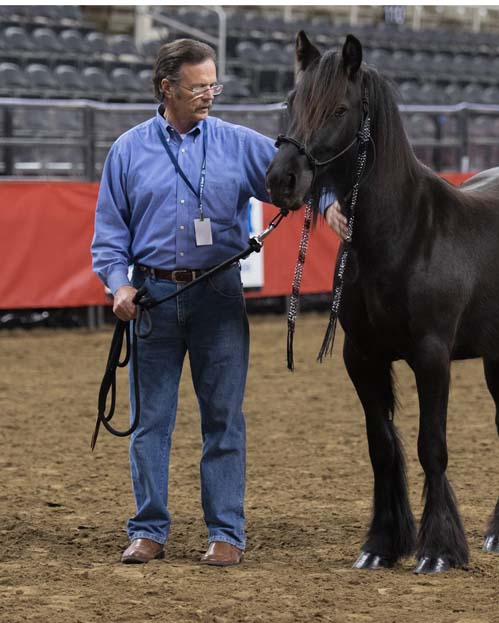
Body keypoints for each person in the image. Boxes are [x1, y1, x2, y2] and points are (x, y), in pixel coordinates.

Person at [91, 38, 343, 566]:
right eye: (199, 85)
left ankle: (226, 533)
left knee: (223, 418)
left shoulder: (238, 142)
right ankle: (148, 529)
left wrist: (329, 203)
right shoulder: (127, 150)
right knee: (149, 421)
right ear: (168, 88)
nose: (209, 94)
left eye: (214, 84)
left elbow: (291, 178)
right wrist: (119, 285)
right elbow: (110, 236)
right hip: (151, 299)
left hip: (219, 296)